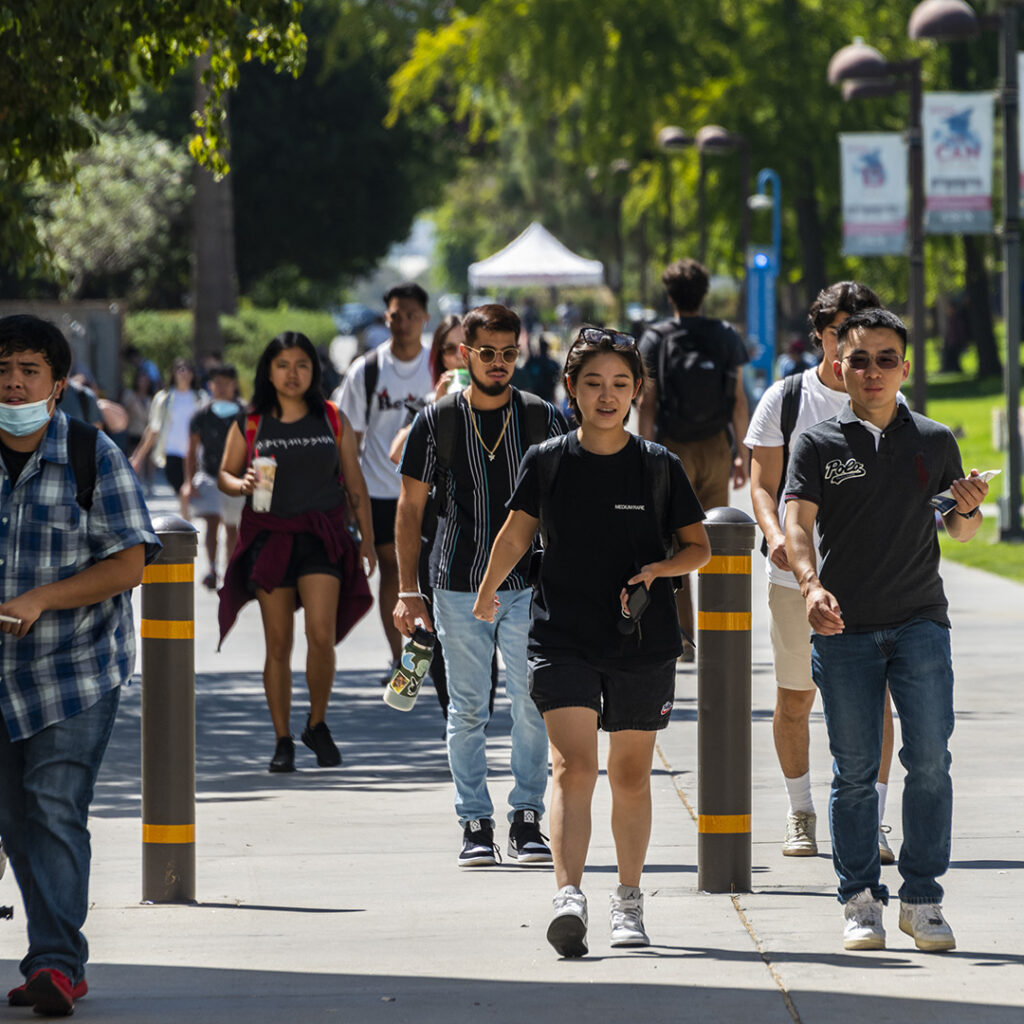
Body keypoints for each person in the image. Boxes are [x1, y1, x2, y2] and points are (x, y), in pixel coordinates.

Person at [474, 326, 710, 956]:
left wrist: (662, 570)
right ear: (571, 390)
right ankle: (569, 895)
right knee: (572, 767)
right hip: (563, 636)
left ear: (636, 391)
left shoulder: (659, 465)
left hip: (641, 639)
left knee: (631, 775)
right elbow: (516, 534)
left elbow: (700, 547)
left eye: (620, 384)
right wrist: (488, 590)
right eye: (593, 384)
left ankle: (628, 902)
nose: (607, 396)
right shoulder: (547, 460)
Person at [785, 307, 989, 953]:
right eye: (860, 359)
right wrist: (810, 585)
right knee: (852, 772)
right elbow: (796, 524)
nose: (873, 371)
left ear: (905, 366)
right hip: (844, 629)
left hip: (921, 620)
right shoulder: (817, 443)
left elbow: (958, 530)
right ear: (839, 367)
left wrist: (968, 511)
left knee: (930, 761)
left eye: (886, 359)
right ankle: (861, 900)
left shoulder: (934, 439)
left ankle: (923, 900)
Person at [0, 314, 160, 1015]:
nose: (13, 383)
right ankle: (48, 951)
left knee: (55, 809)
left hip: (76, 673)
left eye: (29, 370)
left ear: (58, 385)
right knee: (14, 820)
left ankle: (58, 964)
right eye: (2, 370)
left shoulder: (94, 455)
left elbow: (130, 563)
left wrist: (42, 599)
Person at [394, 304, 566, 868]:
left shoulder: (542, 416)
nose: (498, 363)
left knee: (532, 703)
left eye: (508, 353)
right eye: (486, 353)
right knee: (468, 707)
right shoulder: (436, 419)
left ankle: (527, 817)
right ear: (464, 354)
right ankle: (474, 819)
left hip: (529, 583)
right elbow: (409, 510)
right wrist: (406, 590)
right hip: (457, 583)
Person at [745, 282, 898, 862]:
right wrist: (776, 534)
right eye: (840, 331)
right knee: (795, 697)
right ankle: (800, 810)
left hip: (872, 582)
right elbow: (762, 483)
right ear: (820, 338)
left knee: (875, 701)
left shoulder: (889, 398)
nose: (852, 346)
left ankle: (873, 819)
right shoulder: (787, 398)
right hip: (794, 580)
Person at [217, 332, 376, 773]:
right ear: (269, 370)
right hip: (271, 538)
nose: (293, 373)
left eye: (302, 364)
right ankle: (282, 738)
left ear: (314, 370)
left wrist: (365, 537)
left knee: (321, 635)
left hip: (322, 537)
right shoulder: (250, 422)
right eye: (283, 364)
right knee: (278, 645)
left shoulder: (331, 418)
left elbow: (355, 483)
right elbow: (225, 475)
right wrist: (241, 483)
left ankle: (317, 723)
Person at [637, 258, 749, 659]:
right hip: (717, 446)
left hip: (672, 451)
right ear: (705, 294)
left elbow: (647, 404)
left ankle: (684, 637)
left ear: (670, 296)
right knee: (717, 538)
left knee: (679, 544)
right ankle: (720, 627)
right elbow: (738, 400)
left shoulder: (655, 338)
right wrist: (743, 456)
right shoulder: (724, 335)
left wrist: (643, 454)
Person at [335, 283, 434, 678]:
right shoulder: (368, 369)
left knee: (430, 574)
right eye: (397, 315)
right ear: (386, 317)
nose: (404, 323)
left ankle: (433, 656)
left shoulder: (438, 367)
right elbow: (350, 438)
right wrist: (349, 497)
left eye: (412, 315)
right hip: (379, 489)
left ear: (425, 319)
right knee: (394, 573)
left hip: (429, 490)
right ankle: (403, 662)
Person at [183, 364, 245, 590]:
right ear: (210, 386)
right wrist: (189, 482)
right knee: (211, 520)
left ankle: (230, 572)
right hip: (210, 475)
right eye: (217, 383)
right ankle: (211, 568)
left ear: (234, 385)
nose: (221, 388)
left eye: (226, 383)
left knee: (232, 527)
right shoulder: (202, 415)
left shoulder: (244, 414)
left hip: (237, 478)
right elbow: (191, 450)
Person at [130, 358, 203, 519]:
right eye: (179, 369)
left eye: (187, 369)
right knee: (182, 492)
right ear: (173, 374)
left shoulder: (200, 398)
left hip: (196, 454)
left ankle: (188, 526)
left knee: (188, 494)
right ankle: (188, 523)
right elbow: (153, 429)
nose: (183, 373)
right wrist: (138, 457)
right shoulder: (164, 398)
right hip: (172, 453)